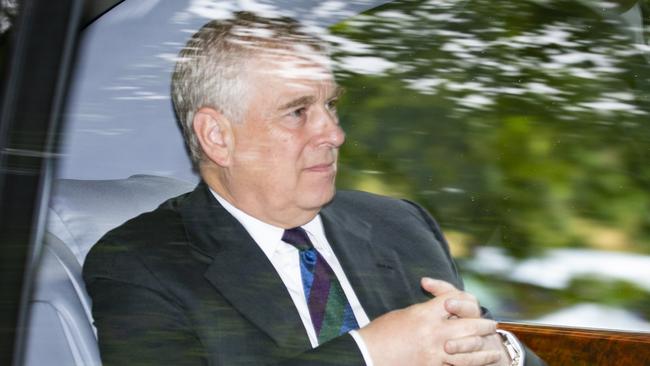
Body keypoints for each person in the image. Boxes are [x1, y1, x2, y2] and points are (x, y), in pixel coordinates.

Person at [83, 12, 545, 366]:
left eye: (330, 105)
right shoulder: (141, 263)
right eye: (298, 111)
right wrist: (368, 353)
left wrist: (502, 352)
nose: (334, 133)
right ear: (218, 136)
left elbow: (488, 341)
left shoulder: (398, 223)